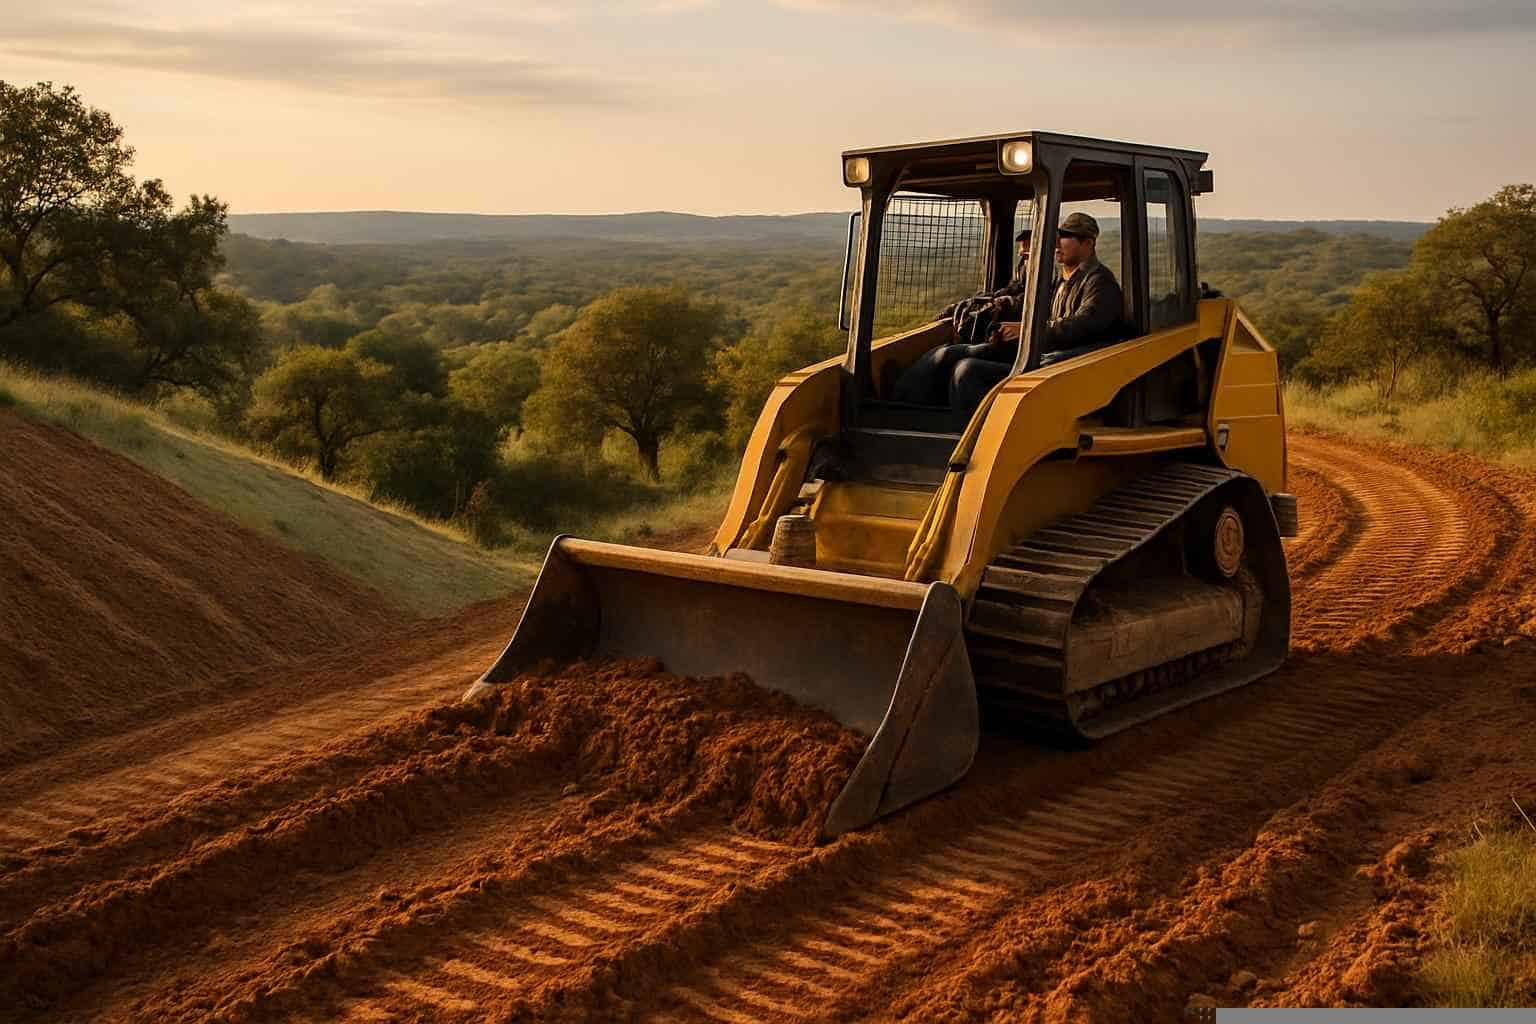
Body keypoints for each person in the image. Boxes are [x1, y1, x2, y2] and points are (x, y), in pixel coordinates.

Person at [948, 212, 1125, 423]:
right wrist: (1005, 310)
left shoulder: (1100, 283)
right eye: (1057, 235)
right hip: (1046, 354)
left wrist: (1026, 330)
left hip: (1064, 367)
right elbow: (1039, 309)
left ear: (1087, 243)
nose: (1057, 242)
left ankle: (983, 440)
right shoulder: (1061, 280)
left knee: (968, 371)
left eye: (1065, 236)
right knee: (957, 355)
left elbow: (1082, 326)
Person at [893, 229, 1032, 407]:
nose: (1022, 252)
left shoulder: (1048, 274)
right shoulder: (1025, 268)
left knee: (951, 354)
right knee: (945, 351)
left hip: (1019, 346)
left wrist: (1009, 306)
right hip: (1008, 337)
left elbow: (1032, 300)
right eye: (1021, 249)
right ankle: (905, 386)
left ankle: (901, 393)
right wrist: (982, 301)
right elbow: (1013, 289)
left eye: (1027, 249)